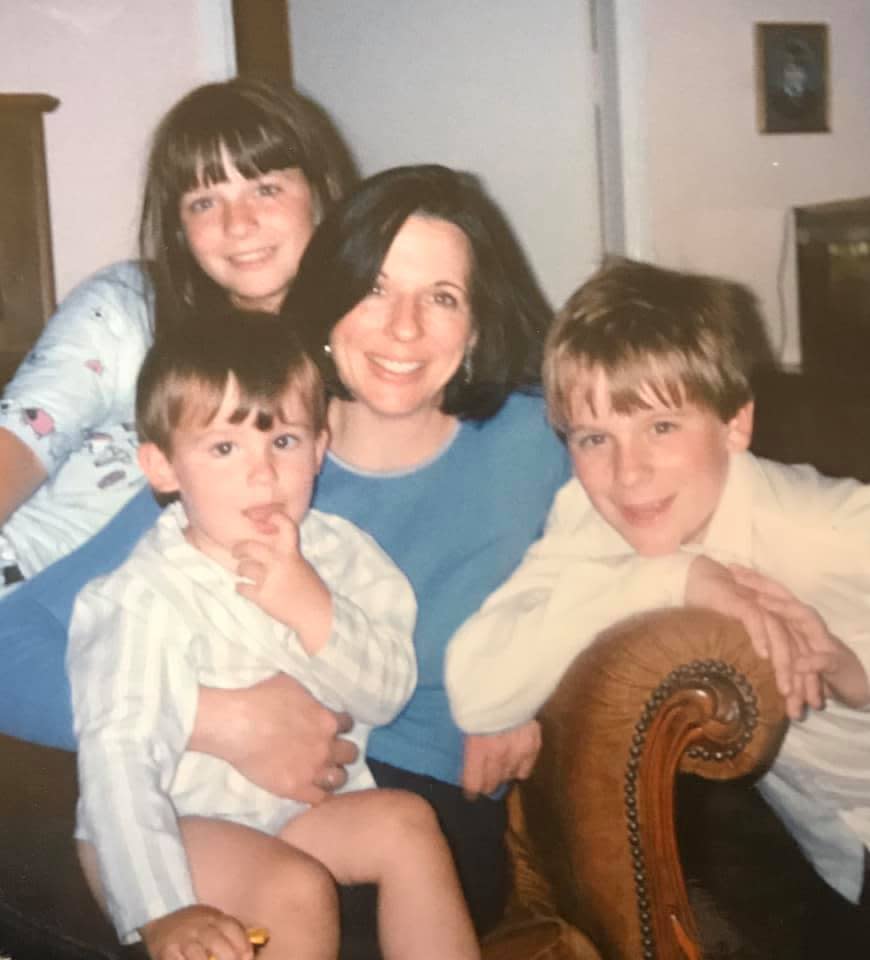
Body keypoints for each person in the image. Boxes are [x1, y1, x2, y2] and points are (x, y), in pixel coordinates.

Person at [1, 164, 571, 953]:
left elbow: (649, 526)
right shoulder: (243, 465)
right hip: (202, 790)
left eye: (442, 297)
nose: (404, 328)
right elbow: (13, 642)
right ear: (329, 303)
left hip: (405, 803)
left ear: (476, 321)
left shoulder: (533, 441)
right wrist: (220, 719)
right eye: (373, 288)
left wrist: (528, 673)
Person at [445, 257, 870, 951]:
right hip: (831, 857)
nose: (627, 471)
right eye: (594, 438)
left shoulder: (828, 528)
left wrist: (851, 671)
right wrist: (676, 576)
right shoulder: (589, 511)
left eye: (661, 428)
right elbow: (478, 690)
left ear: (736, 425)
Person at [70, 313, 481, 960]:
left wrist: (310, 605)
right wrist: (162, 909)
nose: (262, 475)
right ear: (162, 466)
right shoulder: (142, 595)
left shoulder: (346, 560)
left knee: (407, 824)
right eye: (225, 448)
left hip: (296, 812)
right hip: (171, 825)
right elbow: (118, 757)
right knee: (292, 887)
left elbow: (386, 695)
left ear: (320, 447)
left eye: (283, 443)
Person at [0, 76, 353, 588]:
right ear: (179, 226)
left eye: (266, 188)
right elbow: (18, 445)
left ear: (320, 194)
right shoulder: (127, 310)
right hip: (26, 585)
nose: (238, 223)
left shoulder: (362, 352)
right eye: (205, 202)